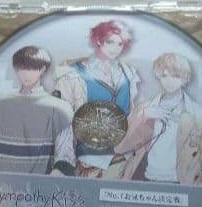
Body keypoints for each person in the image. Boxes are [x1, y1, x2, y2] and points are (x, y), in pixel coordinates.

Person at [114, 52, 202, 185]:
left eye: (176, 76)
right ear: (158, 76)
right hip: (144, 180)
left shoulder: (201, 114)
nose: (169, 81)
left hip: (182, 185)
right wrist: (143, 117)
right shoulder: (144, 109)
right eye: (164, 75)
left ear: (185, 79)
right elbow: (120, 148)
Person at [54, 20, 140, 178]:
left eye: (120, 44)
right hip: (87, 158)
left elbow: (132, 114)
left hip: (121, 158)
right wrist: (63, 162)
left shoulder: (128, 74)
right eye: (110, 42)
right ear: (99, 40)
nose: (115, 48)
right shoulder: (73, 74)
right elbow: (63, 122)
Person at [0, 46, 75, 176]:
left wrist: (51, 180)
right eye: (22, 68)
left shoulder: (59, 109)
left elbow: (65, 156)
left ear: (42, 69)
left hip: (35, 186)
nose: (26, 74)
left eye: (32, 68)